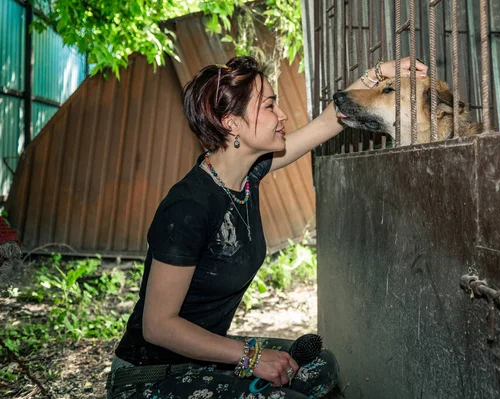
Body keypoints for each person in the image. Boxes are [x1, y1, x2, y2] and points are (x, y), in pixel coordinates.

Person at [106, 56, 428, 399]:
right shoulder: (188, 208)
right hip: (151, 375)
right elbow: (158, 327)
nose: (282, 115)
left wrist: (378, 73)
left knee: (320, 368)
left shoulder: (247, 177)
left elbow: (328, 122)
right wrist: (251, 357)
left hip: (202, 358)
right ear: (232, 123)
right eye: (270, 105)